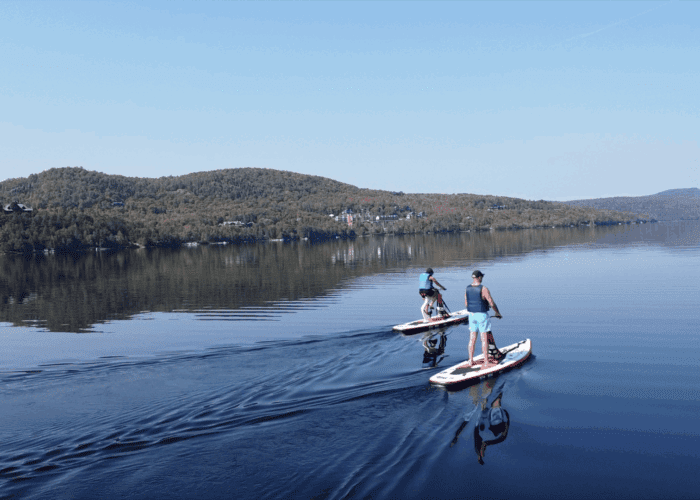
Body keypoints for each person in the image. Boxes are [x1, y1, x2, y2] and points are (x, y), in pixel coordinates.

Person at [464, 270, 502, 369]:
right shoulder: (483, 288)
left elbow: (466, 304)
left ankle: (470, 361)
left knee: (472, 339)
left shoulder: (467, 288)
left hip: (471, 315)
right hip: (482, 315)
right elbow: (491, 303)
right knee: (484, 339)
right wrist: (497, 313)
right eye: (482, 277)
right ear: (479, 277)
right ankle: (486, 362)